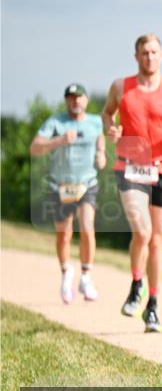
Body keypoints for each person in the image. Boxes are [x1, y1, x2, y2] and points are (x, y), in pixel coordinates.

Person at [102, 34, 162, 332]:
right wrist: (111, 130)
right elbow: (107, 114)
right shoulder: (121, 87)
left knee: (157, 240)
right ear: (136, 56)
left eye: (154, 52)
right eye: (144, 52)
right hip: (129, 166)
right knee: (142, 231)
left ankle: (152, 305)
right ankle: (136, 283)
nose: (149, 57)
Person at [30, 84, 107, 303]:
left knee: (87, 228)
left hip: (87, 184)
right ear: (66, 101)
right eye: (71, 98)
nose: (75, 102)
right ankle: (66, 274)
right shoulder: (55, 122)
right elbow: (34, 148)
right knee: (64, 234)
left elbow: (100, 136)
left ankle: (86, 277)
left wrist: (101, 152)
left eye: (79, 97)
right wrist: (59, 140)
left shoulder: (95, 121)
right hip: (61, 186)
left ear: (86, 100)